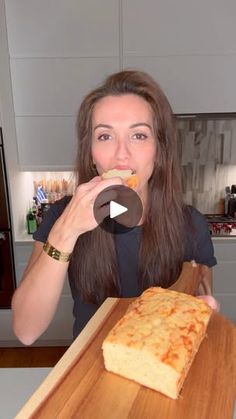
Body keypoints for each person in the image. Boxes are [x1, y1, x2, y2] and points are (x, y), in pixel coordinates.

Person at [12, 70, 218, 345]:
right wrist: (65, 233)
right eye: (105, 137)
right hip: (89, 373)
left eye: (139, 136)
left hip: (160, 368)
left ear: (160, 151)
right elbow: (26, 331)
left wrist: (202, 311)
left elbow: (202, 314)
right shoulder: (62, 216)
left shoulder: (191, 225)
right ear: (91, 154)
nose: (121, 155)